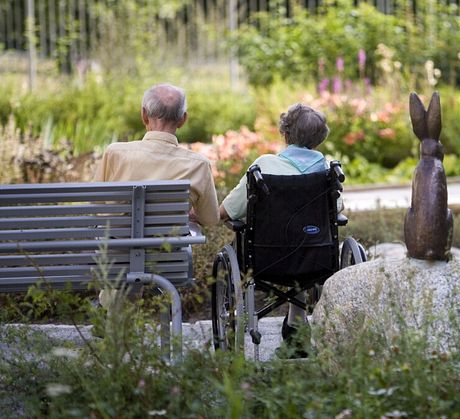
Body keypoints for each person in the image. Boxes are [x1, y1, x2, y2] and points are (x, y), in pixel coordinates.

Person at [94, 83, 220, 315]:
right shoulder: (198, 164)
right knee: (139, 253)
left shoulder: (115, 153)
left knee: (123, 251)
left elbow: (97, 207)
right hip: (167, 260)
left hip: (116, 257)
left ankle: (111, 314)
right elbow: (211, 219)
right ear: (183, 119)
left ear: (144, 115)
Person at [220, 103, 334, 356]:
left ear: (286, 134)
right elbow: (336, 213)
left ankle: (291, 327)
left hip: (266, 258)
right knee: (304, 241)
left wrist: (216, 215)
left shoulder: (264, 166)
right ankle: (296, 325)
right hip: (315, 256)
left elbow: (229, 211)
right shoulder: (327, 171)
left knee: (290, 242)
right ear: (319, 138)